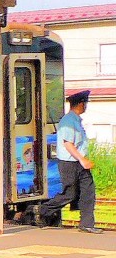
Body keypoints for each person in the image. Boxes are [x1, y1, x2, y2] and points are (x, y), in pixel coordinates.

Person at [36, 90, 102, 233]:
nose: (86, 106)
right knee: (70, 194)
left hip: (79, 163)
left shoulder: (76, 121)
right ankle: (41, 210)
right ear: (80, 104)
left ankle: (87, 224)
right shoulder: (68, 121)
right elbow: (68, 144)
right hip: (69, 163)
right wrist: (82, 159)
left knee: (88, 191)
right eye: (85, 103)